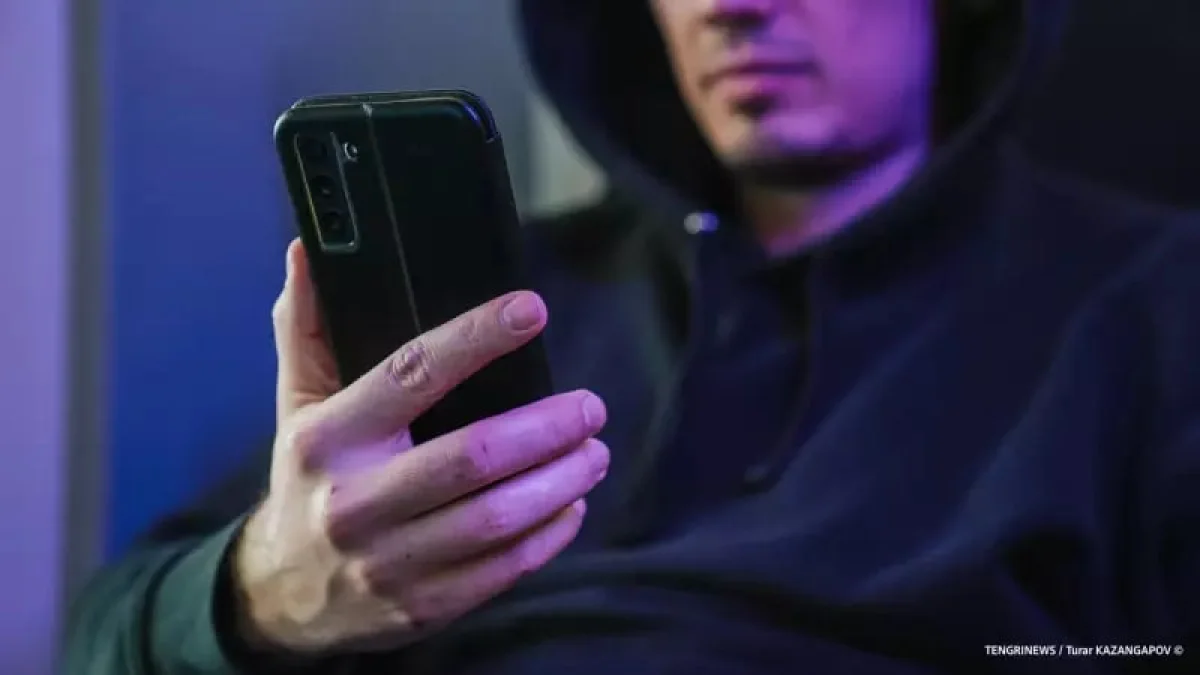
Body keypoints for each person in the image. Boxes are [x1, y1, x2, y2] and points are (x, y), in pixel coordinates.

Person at [66, 0, 1200, 673]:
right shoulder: (498, 301)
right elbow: (99, 638)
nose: (727, 6)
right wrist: (266, 590)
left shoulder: (1151, 298)